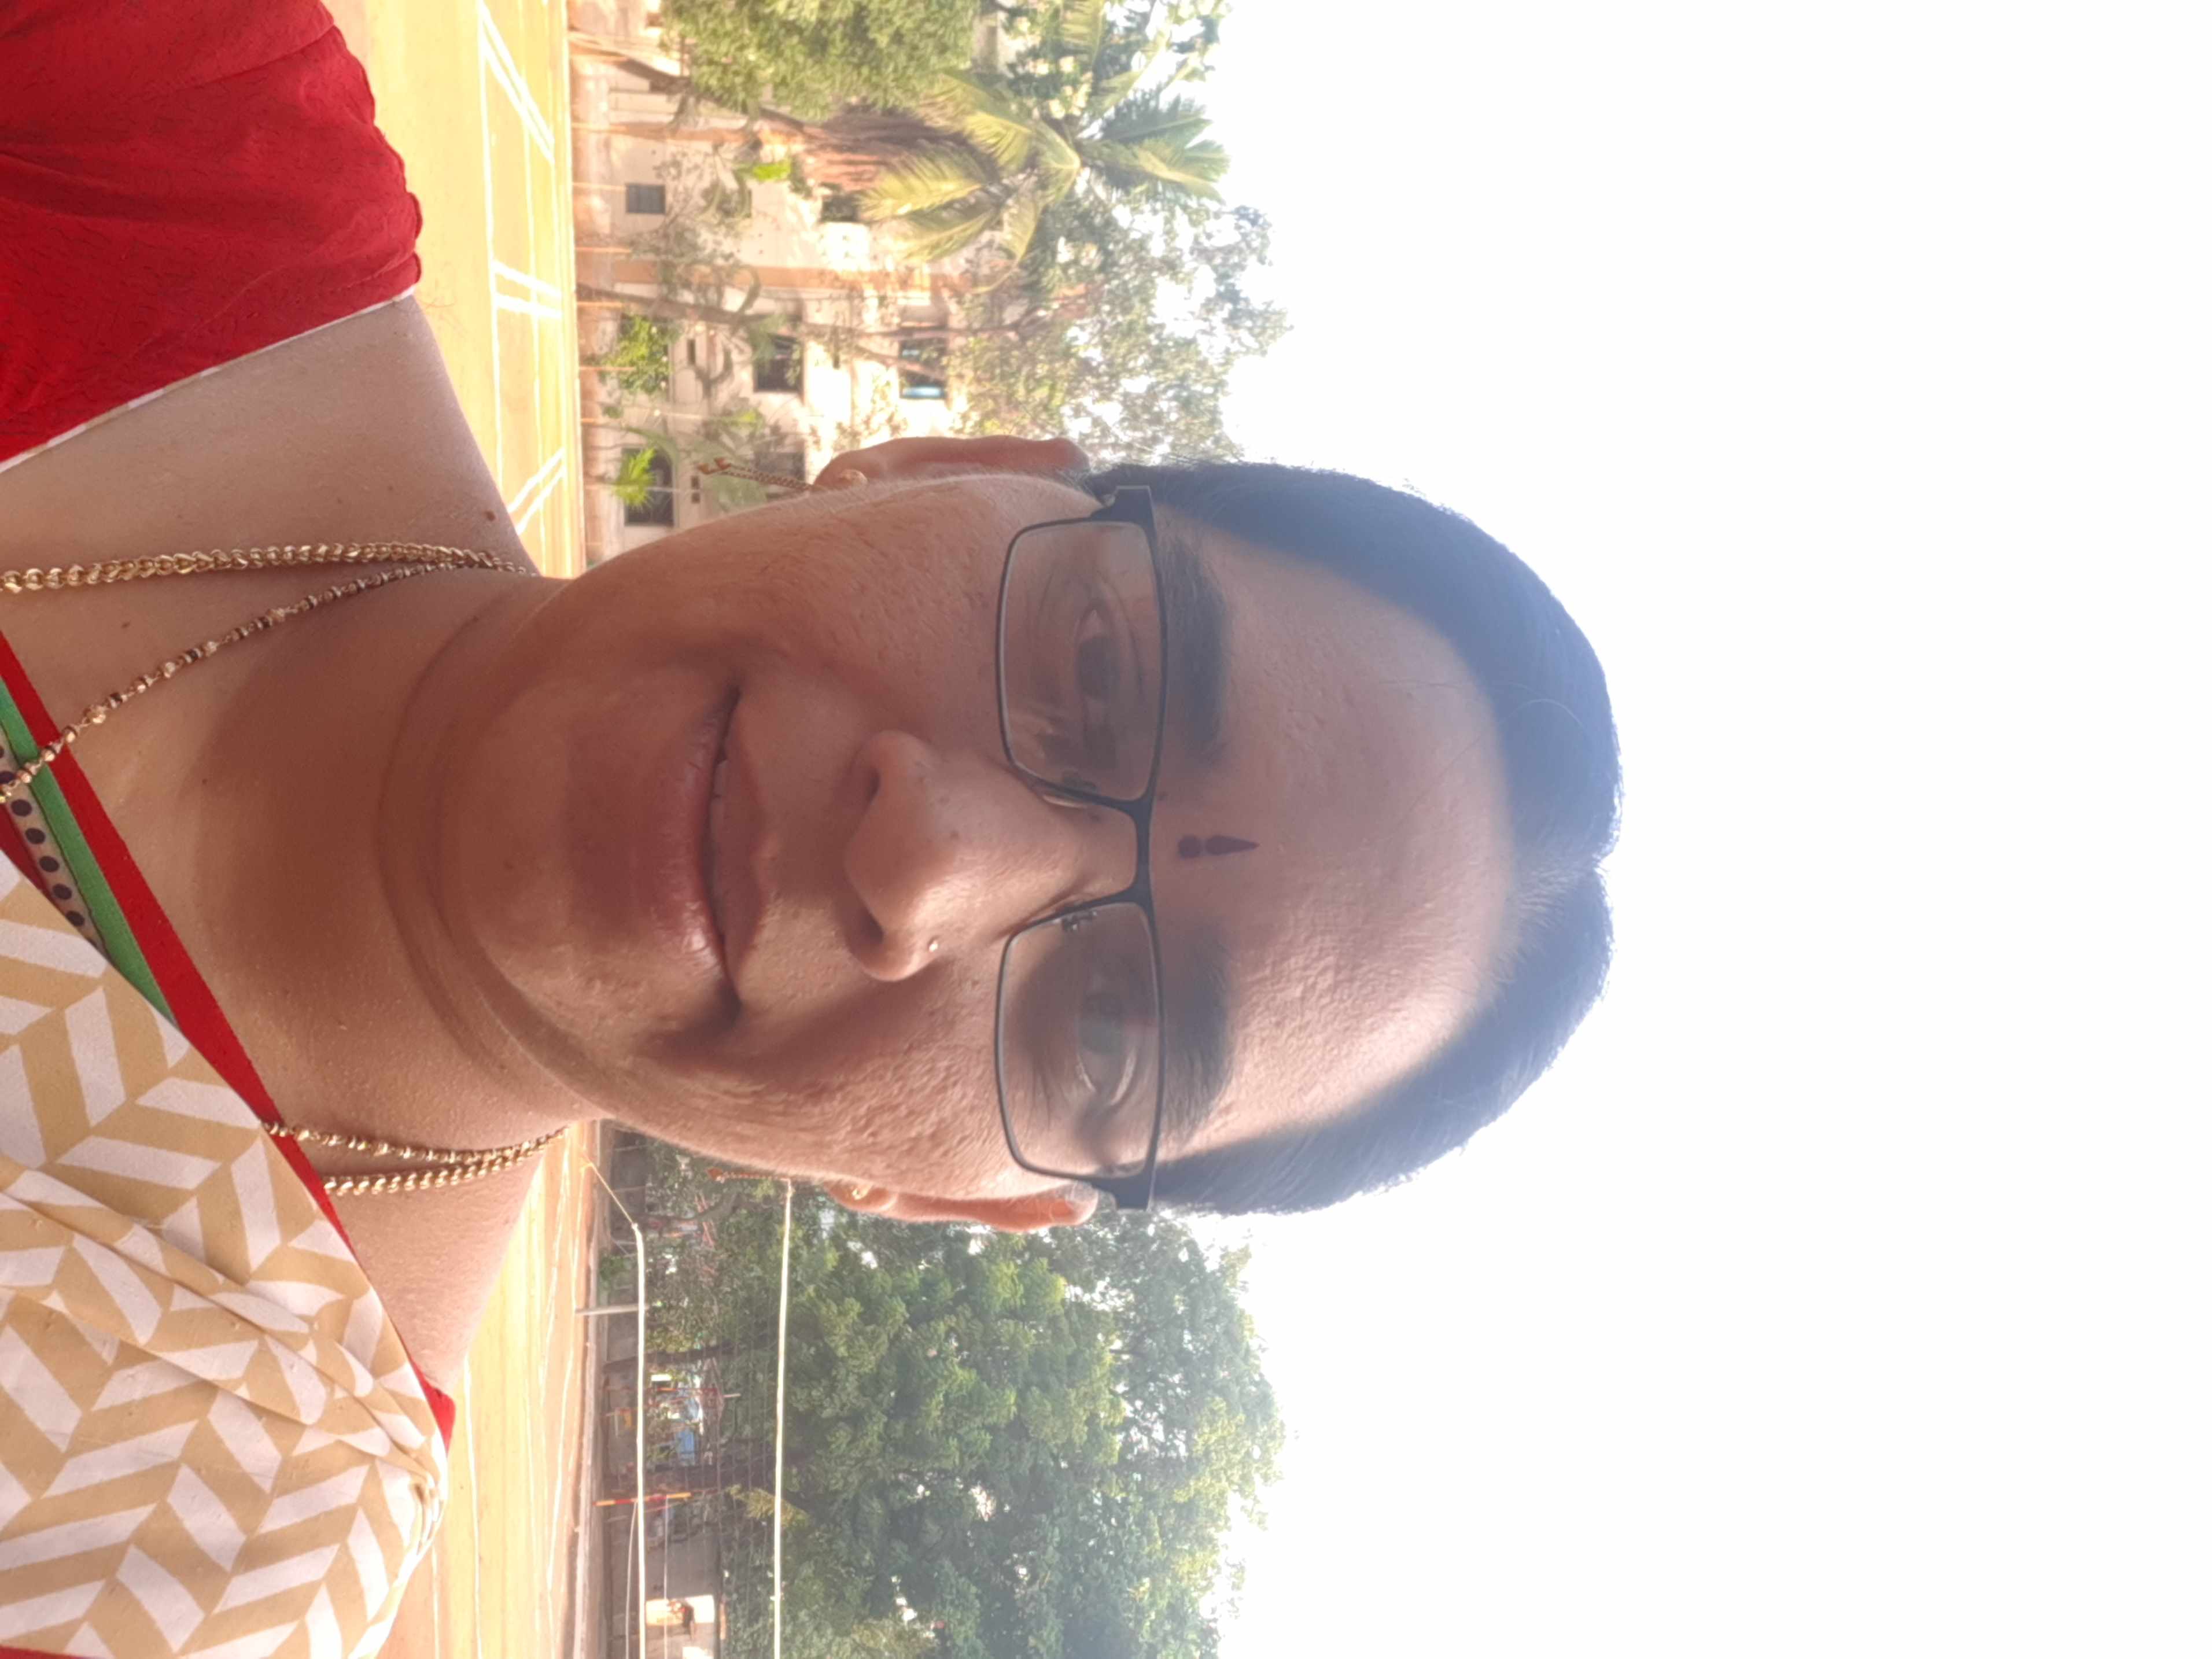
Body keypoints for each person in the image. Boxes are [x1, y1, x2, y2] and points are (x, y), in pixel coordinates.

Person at [0, 0, 1618, 1653]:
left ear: (958, 1199)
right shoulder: (160, 114)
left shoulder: (192, 1544)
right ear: (937, 461)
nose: (930, 861)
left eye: (1108, 1031)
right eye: (1097, 669)